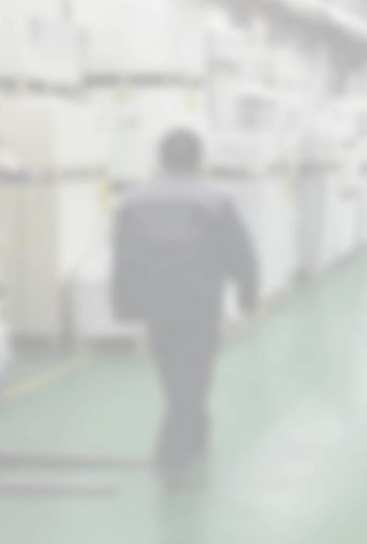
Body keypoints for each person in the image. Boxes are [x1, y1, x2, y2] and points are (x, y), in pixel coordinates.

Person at [110, 128, 260, 486]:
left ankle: (197, 432)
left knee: (176, 378)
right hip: (199, 302)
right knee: (192, 379)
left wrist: (122, 303)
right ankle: (171, 458)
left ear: (159, 160)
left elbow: (122, 255)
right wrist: (248, 294)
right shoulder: (215, 200)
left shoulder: (131, 201)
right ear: (199, 161)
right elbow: (240, 252)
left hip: (154, 304)